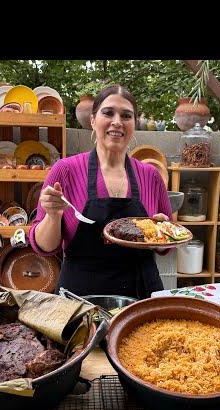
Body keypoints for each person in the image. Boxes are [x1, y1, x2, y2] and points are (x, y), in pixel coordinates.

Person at [29, 84, 172, 299]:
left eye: (126, 116)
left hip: (141, 290)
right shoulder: (66, 171)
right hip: (81, 297)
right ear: (93, 120)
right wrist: (53, 216)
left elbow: (166, 246)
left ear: (133, 125)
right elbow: (44, 247)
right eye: (108, 113)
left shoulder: (151, 176)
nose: (117, 122)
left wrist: (162, 232)